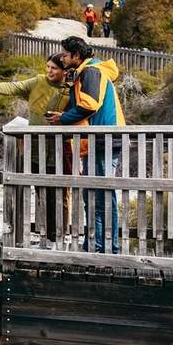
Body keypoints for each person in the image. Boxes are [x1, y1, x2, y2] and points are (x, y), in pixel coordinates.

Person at [0, 54, 73, 243]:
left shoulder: (70, 89)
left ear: (64, 71)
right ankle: (46, 235)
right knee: (40, 191)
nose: (49, 71)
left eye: (54, 68)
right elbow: (12, 87)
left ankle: (58, 236)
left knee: (58, 194)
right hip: (35, 149)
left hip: (59, 150)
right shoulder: (38, 82)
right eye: (47, 67)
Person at [47, 36, 126, 253]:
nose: (62, 58)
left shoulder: (91, 72)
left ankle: (106, 248)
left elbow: (90, 104)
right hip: (94, 141)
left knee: (102, 195)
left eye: (64, 55)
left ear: (76, 55)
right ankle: (96, 245)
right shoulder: (86, 72)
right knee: (93, 194)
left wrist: (62, 119)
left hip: (102, 140)